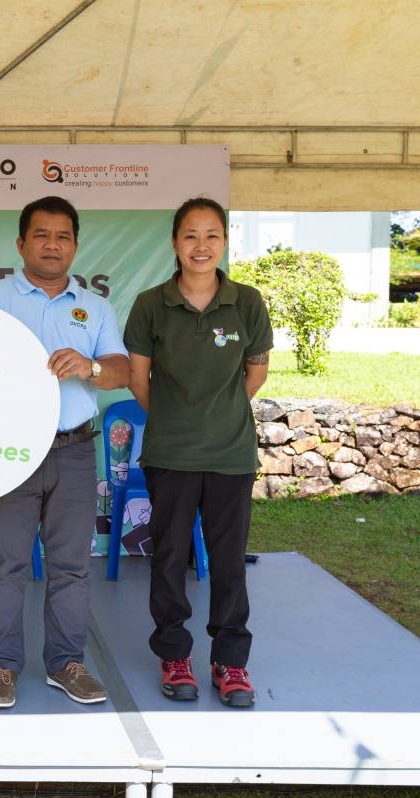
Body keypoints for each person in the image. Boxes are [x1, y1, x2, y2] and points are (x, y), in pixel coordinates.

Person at [0, 195, 131, 708]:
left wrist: (91, 367)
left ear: (75, 246)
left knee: (72, 567)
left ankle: (66, 664)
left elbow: (122, 371)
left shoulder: (95, 307)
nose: (52, 245)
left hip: (76, 450)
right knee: (6, 564)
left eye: (63, 236)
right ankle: (1, 668)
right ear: (21, 243)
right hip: (10, 452)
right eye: (41, 235)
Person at [123, 197, 273, 708]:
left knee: (228, 562)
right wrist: (177, 416)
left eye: (211, 235)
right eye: (190, 235)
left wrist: (220, 413)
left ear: (225, 242)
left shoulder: (247, 302)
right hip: (170, 454)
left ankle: (230, 662)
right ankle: (175, 655)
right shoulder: (150, 304)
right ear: (174, 243)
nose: (201, 246)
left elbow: (256, 370)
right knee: (168, 559)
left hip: (231, 455)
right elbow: (139, 379)